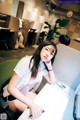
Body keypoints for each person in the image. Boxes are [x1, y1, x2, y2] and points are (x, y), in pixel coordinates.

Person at [3, 40, 57, 118]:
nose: (48, 54)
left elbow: (52, 81)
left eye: (52, 53)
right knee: (38, 116)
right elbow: (11, 88)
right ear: (41, 48)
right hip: (12, 97)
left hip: (24, 94)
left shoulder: (42, 65)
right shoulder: (26, 62)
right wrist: (31, 104)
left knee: (45, 106)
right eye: (46, 49)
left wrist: (49, 66)